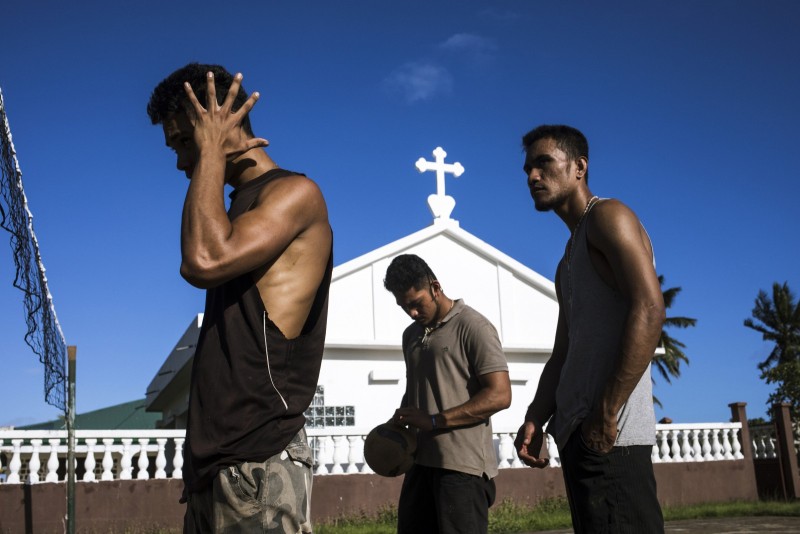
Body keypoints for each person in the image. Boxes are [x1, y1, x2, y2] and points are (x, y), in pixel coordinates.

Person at [147, 63, 333, 533]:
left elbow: (204, 261)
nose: (180, 163)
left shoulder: (294, 193)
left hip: (260, 458)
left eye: (184, 143)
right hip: (217, 465)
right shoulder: (232, 208)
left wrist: (209, 150)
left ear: (219, 126)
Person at [514, 125, 666, 533]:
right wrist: (535, 416)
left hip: (612, 440)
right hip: (582, 439)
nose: (532, 176)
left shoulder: (608, 216)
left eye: (543, 163)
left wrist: (606, 411)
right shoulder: (566, 262)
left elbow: (650, 308)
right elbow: (563, 351)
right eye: (528, 168)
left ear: (579, 167)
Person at [384, 254, 511, 534]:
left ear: (435, 287)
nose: (412, 313)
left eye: (416, 304)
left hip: (462, 468)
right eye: (404, 307)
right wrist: (402, 420)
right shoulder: (411, 336)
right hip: (419, 463)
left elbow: (500, 395)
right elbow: (418, 391)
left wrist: (434, 421)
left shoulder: (473, 326)